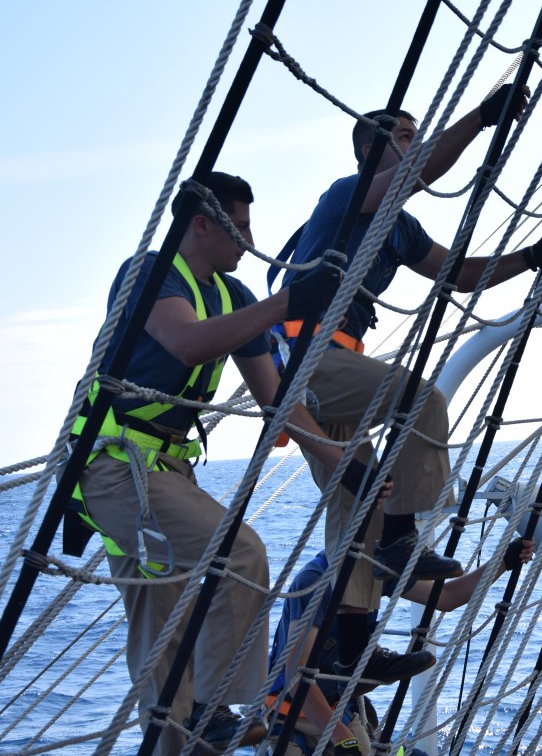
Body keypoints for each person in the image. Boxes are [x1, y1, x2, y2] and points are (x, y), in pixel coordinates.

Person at [278, 90, 542, 682]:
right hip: (309, 359)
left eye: (416, 136)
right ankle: (402, 536)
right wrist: (481, 118)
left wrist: (531, 256)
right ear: (368, 151)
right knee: (421, 400)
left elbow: (459, 273)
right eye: (405, 137)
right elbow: (416, 173)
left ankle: (354, 650)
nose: (415, 145)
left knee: (357, 505)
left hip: (335, 368)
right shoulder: (346, 196)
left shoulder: (401, 228)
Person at [71, 172, 351, 754]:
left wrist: (342, 461)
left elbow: (277, 398)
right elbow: (186, 341)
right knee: (240, 553)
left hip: (166, 470)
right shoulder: (149, 273)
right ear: (202, 224)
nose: (250, 242)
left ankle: (185, 736)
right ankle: (210, 707)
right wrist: (287, 302)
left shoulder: (235, 297)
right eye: (239, 228)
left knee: (162, 634)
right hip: (115, 467)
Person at [265, 536, 535, 754]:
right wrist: (344, 739)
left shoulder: (376, 570)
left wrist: (503, 561)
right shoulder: (315, 581)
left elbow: (446, 597)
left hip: (339, 708)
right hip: (290, 714)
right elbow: (297, 678)